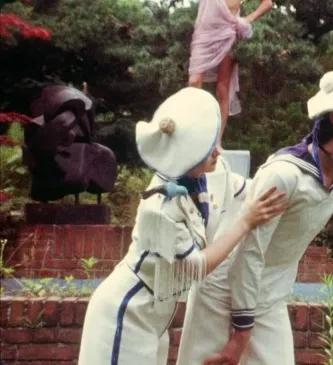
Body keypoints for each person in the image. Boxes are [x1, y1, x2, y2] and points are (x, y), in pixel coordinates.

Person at [175, 66, 333, 365]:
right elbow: (249, 253)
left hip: (267, 297)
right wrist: (239, 337)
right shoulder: (284, 174)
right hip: (222, 292)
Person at [76, 87, 287, 365]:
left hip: (155, 315)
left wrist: (284, 177)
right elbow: (196, 267)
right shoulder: (160, 206)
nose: (218, 151)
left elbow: (247, 190)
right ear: (187, 155)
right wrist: (245, 221)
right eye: (208, 148)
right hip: (127, 313)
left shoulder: (205, 177)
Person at [188, 0, 273, 148]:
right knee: (194, 82)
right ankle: (191, 133)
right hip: (205, 32)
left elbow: (268, 3)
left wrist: (248, 19)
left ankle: (217, 141)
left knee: (223, 89)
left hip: (228, 32)